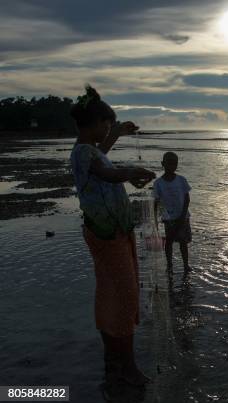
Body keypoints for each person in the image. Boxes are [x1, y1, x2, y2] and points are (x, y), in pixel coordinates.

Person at [69, 85, 155, 386]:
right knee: (125, 295)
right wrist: (131, 172)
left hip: (113, 231)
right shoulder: (82, 152)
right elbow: (106, 173)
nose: (107, 128)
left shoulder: (89, 151)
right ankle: (128, 367)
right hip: (107, 235)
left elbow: (102, 158)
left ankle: (112, 358)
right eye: (105, 123)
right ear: (92, 124)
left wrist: (117, 133)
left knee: (110, 291)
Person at [153, 152, 192, 273]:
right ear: (163, 164)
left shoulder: (181, 180)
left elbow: (187, 198)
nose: (171, 166)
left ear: (177, 165)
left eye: (174, 163)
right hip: (168, 218)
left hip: (183, 217)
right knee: (169, 241)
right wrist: (155, 219)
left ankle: (186, 265)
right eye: (169, 163)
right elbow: (157, 202)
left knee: (183, 242)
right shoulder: (158, 183)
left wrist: (183, 215)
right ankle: (169, 265)